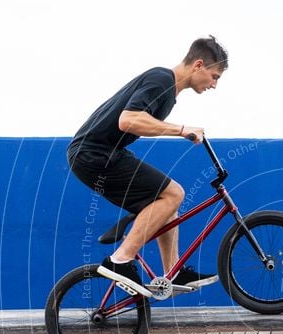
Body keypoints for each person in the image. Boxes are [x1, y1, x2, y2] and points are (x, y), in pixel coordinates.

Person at [67, 36, 228, 296]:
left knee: (167, 202)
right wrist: (183, 130)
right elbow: (128, 120)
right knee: (174, 192)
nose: (214, 84)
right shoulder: (162, 79)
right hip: (94, 154)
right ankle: (120, 260)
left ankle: (172, 271)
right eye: (215, 76)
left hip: (101, 154)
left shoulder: (169, 92)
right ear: (198, 65)